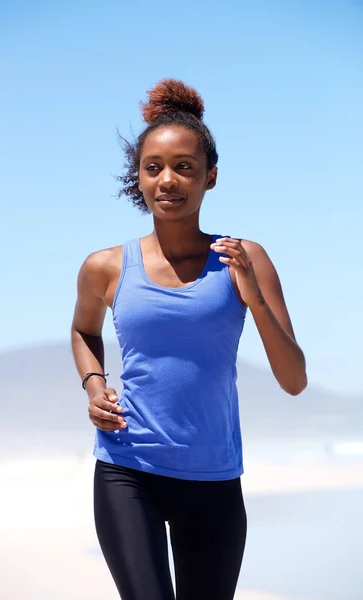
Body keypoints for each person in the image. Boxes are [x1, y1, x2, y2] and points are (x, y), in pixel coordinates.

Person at [71, 78, 307, 600]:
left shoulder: (245, 258)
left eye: (185, 168)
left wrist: (252, 297)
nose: (168, 181)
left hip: (215, 479)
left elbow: (294, 380)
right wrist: (93, 385)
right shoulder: (105, 266)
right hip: (127, 470)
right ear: (139, 177)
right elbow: (83, 330)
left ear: (211, 178)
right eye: (153, 168)